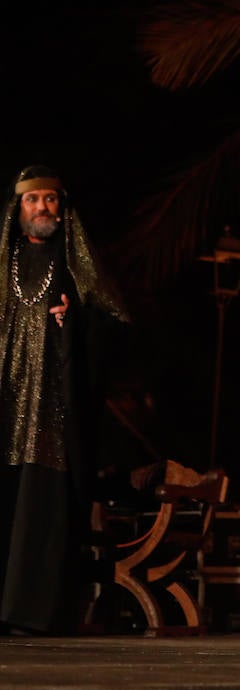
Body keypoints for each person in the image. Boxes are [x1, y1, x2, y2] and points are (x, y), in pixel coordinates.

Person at [1, 165, 127, 634]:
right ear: (19, 208)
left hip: (49, 420)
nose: (42, 208)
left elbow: (115, 325)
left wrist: (77, 322)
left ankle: (31, 615)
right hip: (5, 408)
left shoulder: (79, 268)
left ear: (63, 207)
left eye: (51, 199)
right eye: (33, 200)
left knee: (40, 513)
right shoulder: (2, 263)